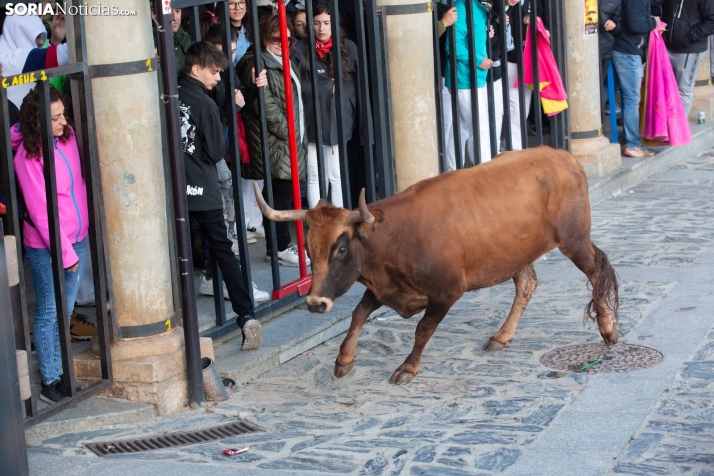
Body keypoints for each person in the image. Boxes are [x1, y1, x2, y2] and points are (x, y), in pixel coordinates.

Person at [178, 41, 264, 349]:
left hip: (177, 188)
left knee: (178, 254)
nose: (217, 79)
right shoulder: (205, 104)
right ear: (196, 69)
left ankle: (179, 321)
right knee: (224, 251)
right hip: (203, 188)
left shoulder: (170, 96)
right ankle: (245, 315)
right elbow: (216, 151)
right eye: (214, 73)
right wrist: (232, 112)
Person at [13, 86, 93, 403]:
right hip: (50, 247)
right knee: (51, 311)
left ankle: (60, 373)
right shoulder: (27, 157)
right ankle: (51, 381)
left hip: (77, 237)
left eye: (63, 115)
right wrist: (66, 255)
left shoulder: (67, 136)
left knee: (66, 309)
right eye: (55, 118)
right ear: (38, 123)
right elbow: (42, 212)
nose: (64, 122)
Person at [237, 15, 310, 267]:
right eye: (276, 38)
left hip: (290, 138)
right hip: (276, 140)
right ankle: (279, 247)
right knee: (280, 195)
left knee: (286, 194)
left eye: (287, 38)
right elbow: (265, 105)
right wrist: (290, 131)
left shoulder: (286, 59)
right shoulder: (255, 62)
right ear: (264, 38)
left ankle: (280, 246)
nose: (282, 42)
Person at [294, 2, 359, 209]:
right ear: (310, 25)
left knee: (336, 174)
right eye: (317, 23)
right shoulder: (301, 49)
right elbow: (295, 84)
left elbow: (358, 85)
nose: (322, 28)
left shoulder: (348, 48)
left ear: (334, 23)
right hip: (311, 117)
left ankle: (338, 219)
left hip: (339, 118)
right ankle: (317, 220)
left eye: (326, 23)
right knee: (314, 173)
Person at [444, 0, 496, 169]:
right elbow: (452, 46)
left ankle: (451, 171)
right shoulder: (462, 8)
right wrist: (478, 61)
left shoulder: (480, 7)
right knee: (479, 128)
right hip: (466, 78)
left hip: (471, 77)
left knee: (462, 129)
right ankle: (487, 175)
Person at [611, 0, 660, 157]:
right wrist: (654, 21)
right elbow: (635, 25)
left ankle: (628, 140)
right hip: (628, 52)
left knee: (622, 97)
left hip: (624, 49)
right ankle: (633, 145)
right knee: (631, 99)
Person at [0, 13, 68, 124]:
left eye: (41, 36)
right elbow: (57, 55)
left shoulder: (6, 50)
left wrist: (54, 40)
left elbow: (39, 62)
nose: (41, 41)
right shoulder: (13, 59)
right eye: (35, 36)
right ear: (19, 32)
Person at [661, 0, 714, 116]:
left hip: (689, 49)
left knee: (683, 91)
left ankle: (679, 131)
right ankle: (671, 126)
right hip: (670, 46)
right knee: (667, 88)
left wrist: (691, 36)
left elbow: (712, 21)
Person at [172, 8, 192, 76]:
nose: (174, 17)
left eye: (177, 11)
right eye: (169, 12)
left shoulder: (184, 36)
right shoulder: (152, 41)